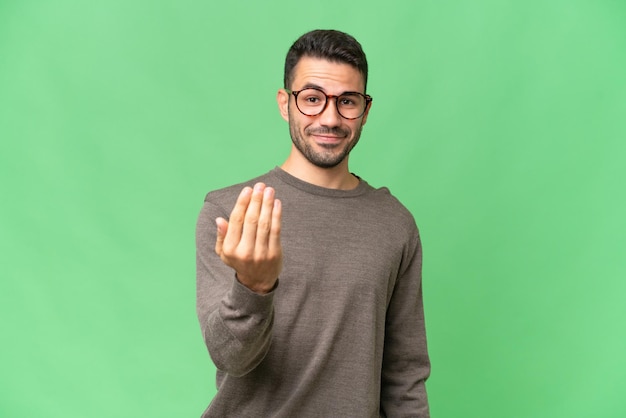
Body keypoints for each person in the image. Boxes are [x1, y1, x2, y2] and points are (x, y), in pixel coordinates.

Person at [196, 29, 430, 417]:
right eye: (312, 99)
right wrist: (254, 286)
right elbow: (229, 358)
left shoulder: (395, 224)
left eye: (347, 102)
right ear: (285, 104)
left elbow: (404, 376)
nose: (330, 118)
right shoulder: (231, 211)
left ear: (366, 110)